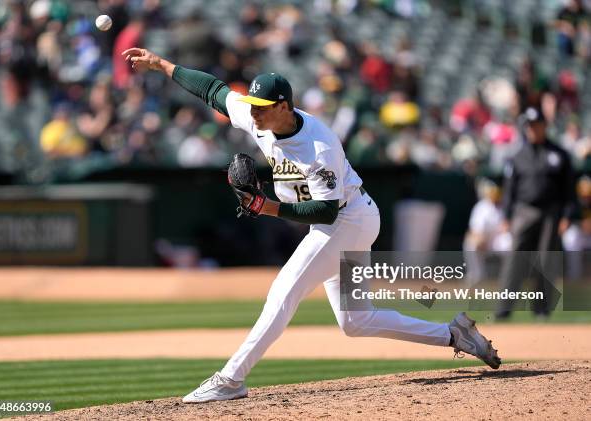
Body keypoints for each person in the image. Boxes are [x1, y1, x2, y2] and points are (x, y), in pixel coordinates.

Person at [121, 47, 501, 403]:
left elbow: (326, 213)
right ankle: (454, 334)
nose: (253, 113)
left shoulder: (318, 147)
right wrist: (164, 65)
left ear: (283, 106)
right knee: (356, 320)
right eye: (252, 105)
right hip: (352, 216)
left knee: (283, 291)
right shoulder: (259, 119)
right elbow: (214, 91)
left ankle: (230, 379)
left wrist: (267, 207)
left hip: (346, 219)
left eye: (262, 107)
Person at [496, 107, 578, 320]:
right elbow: (509, 191)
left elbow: (569, 190)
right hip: (524, 211)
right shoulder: (517, 156)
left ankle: (541, 309)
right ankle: (504, 309)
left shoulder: (559, 155)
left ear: (544, 126)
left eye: (536, 125)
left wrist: (567, 215)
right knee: (515, 259)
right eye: (529, 126)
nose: (532, 130)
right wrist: (505, 216)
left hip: (551, 213)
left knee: (545, 261)